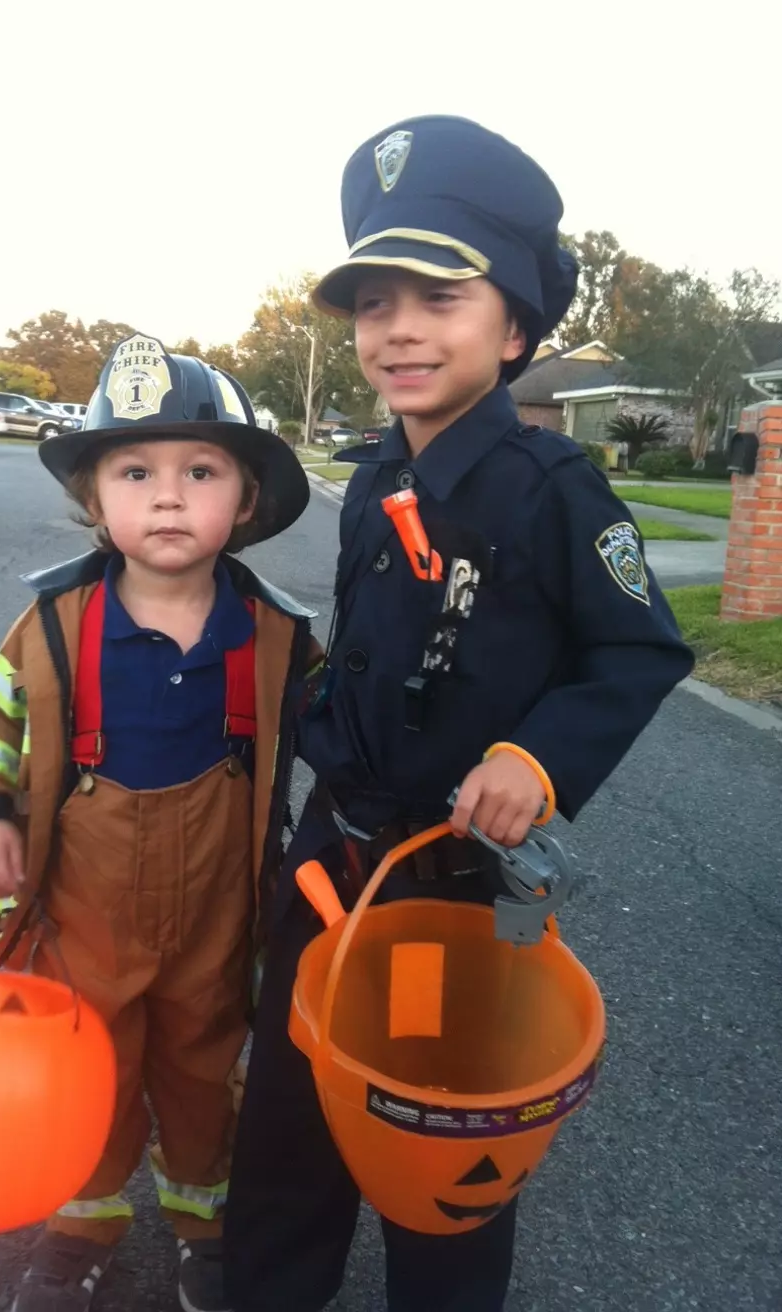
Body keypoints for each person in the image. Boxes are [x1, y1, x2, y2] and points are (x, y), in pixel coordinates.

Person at [222, 116, 696, 1312]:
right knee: (291, 1103)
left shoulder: (557, 492)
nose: (397, 327)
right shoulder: (378, 475)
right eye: (372, 301)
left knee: (443, 1132)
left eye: (437, 293)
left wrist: (538, 754)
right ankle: (270, 1288)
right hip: (335, 856)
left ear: (517, 323)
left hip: (462, 878)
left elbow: (637, 647)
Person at [0, 336, 314, 1312]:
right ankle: (81, 1225)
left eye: (200, 472)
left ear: (243, 502)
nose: (166, 496)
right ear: (93, 501)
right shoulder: (53, 624)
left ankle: (205, 1222)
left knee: (202, 1075)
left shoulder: (276, 633)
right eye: (135, 471)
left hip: (215, 916)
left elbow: (350, 740)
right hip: (80, 914)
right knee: (88, 1077)